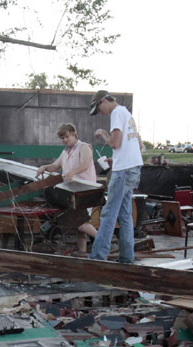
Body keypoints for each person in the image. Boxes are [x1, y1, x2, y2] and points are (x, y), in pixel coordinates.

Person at [88, 90, 143, 264]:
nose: (101, 112)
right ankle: (127, 257)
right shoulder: (127, 114)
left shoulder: (117, 113)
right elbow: (139, 145)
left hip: (123, 171)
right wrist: (115, 159)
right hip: (133, 168)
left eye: (99, 108)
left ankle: (98, 257)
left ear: (105, 100)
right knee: (125, 215)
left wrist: (103, 133)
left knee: (108, 214)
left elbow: (115, 143)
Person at [36, 123, 100, 254]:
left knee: (80, 223)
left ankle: (103, 240)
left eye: (67, 137)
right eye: (62, 138)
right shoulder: (65, 152)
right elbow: (55, 166)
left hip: (85, 191)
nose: (65, 140)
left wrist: (73, 171)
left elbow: (84, 164)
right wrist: (44, 167)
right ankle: (82, 252)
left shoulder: (84, 147)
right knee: (78, 225)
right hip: (72, 192)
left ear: (74, 134)